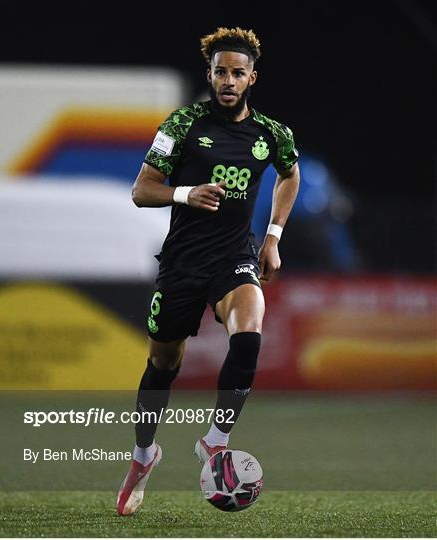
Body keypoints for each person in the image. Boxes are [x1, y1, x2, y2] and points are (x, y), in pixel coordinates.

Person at [117, 26, 300, 516]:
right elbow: (141, 190)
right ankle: (143, 456)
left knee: (249, 329)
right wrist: (185, 193)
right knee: (163, 367)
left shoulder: (270, 134)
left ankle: (215, 440)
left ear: (251, 78)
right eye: (221, 71)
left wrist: (273, 236)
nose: (228, 80)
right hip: (181, 263)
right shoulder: (182, 124)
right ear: (211, 74)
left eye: (237, 73)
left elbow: (290, 172)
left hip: (233, 259)